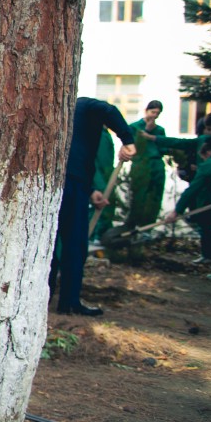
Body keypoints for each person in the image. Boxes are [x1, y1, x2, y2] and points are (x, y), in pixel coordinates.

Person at [55, 97, 136, 316]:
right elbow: (108, 109)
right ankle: (69, 303)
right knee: (75, 245)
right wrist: (128, 141)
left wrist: (91, 192)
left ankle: (46, 298)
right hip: (72, 184)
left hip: (58, 183)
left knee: (50, 245)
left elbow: (74, 159)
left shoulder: (63, 111)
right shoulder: (84, 105)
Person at [163, 140, 211, 265]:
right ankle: (209, 256)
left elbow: (192, 190)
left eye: (203, 157)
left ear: (208, 153)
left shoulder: (208, 165)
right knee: (207, 226)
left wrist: (176, 211)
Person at [126, 101, 168, 229]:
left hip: (156, 164)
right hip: (141, 164)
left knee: (155, 196)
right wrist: (146, 131)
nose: (154, 116)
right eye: (152, 112)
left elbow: (163, 149)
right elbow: (131, 145)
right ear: (146, 111)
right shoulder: (135, 127)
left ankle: (148, 226)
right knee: (139, 196)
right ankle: (132, 225)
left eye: (157, 113)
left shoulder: (160, 130)